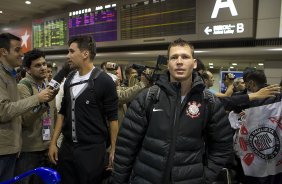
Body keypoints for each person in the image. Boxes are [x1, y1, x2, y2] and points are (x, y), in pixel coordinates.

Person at [112, 38, 233, 184]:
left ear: (194, 63)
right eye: (174, 57)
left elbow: (222, 146)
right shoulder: (149, 97)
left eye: (185, 57)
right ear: (168, 64)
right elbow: (126, 146)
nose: (179, 61)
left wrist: (204, 177)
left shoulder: (208, 101)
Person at [48, 36, 119, 184]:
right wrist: (54, 143)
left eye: (71, 51)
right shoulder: (69, 79)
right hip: (67, 149)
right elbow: (62, 113)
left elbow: (113, 119)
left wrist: (113, 149)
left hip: (92, 151)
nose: (68, 56)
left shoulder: (104, 81)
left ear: (85, 54)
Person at [0, 33, 53, 181]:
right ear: (3, 52)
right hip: (9, 150)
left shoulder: (10, 75)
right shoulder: (18, 83)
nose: (21, 54)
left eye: (44, 64)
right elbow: (3, 111)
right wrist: (38, 99)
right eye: (17, 50)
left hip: (13, 148)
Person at [229, 70, 282, 183]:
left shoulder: (247, 99)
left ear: (251, 83)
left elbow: (234, 121)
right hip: (275, 147)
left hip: (253, 148)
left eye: (246, 83)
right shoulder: (278, 95)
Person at [15, 49, 57, 184]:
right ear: (28, 68)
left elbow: (54, 115)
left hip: (47, 146)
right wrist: (41, 101)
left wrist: (54, 142)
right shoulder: (23, 86)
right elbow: (25, 120)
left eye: (44, 64)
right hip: (29, 150)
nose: (43, 68)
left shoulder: (47, 85)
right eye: (37, 65)